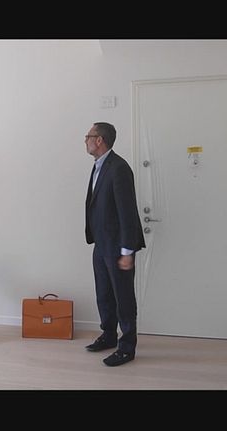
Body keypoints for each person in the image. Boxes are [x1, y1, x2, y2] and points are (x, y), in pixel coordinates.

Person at [83, 122, 145, 366]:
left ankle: (127, 347)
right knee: (104, 294)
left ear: (99, 140)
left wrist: (127, 251)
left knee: (123, 297)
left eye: (88, 136)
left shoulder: (119, 168)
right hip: (101, 244)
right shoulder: (99, 166)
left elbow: (127, 212)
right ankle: (108, 335)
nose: (85, 140)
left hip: (118, 247)